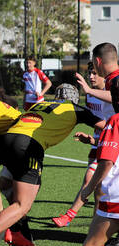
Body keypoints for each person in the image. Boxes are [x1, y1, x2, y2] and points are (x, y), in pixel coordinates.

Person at [0, 84, 106, 246]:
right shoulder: (76, 109)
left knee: (6, 184)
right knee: (22, 205)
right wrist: (94, 139)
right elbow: (108, 127)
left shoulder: (39, 104)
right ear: (75, 98)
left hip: (8, 139)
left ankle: (16, 230)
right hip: (29, 146)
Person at [52, 62, 115, 229]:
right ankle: (97, 230)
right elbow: (95, 122)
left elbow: (108, 125)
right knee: (99, 193)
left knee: (90, 178)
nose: (91, 77)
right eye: (90, 73)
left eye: (95, 73)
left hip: (110, 144)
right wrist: (92, 140)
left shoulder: (111, 93)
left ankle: (70, 215)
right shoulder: (89, 96)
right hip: (98, 143)